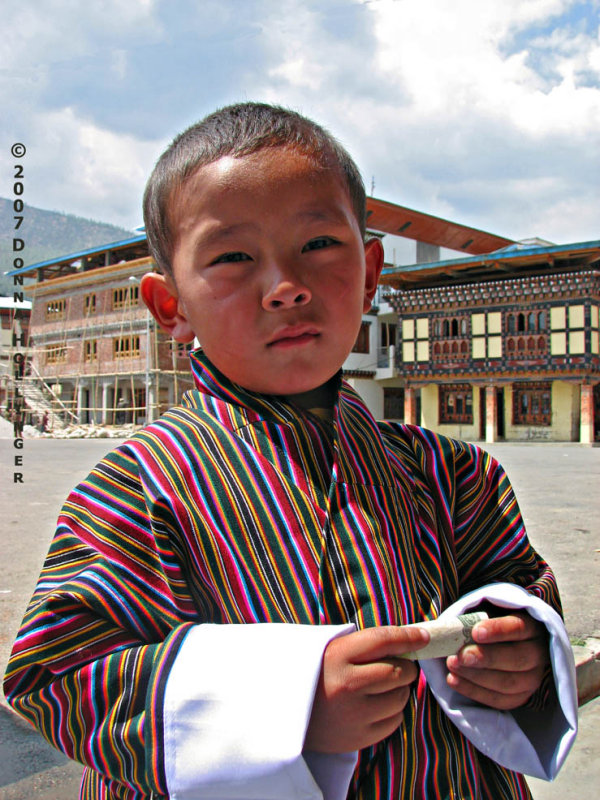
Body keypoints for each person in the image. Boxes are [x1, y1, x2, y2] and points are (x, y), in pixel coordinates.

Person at [4, 103, 577, 800]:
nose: (286, 286)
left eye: (319, 245)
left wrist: (521, 654)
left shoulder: (455, 473)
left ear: (370, 272)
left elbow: (524, 594)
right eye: (233, 257)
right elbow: (55, 674)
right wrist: (288, 703)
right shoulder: (138, 487)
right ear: (170, 306)